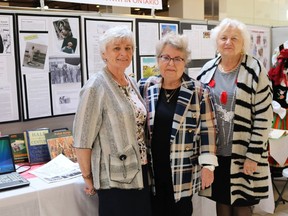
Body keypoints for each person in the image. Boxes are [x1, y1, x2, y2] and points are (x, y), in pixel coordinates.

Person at [73, 26, 152, 216]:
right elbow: (82, 139)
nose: (124, 53)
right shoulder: (95, 87)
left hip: (140, 172)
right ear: (104, 54)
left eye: (128, 48)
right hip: (113, 181)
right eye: (117, 48)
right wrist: (87, 177)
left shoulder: (131, 82)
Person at [197, 18, 273, 216]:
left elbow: (264, 117)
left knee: (241, 206)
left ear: (243, 43)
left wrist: (253, 156)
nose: (228, 42)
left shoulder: (255, 71)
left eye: (234, 38)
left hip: (244, 155)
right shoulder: (207, 70)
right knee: (221, 204)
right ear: (216, 41)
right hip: (216, 156)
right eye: (223, 38)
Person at [138, 32, 218, 216]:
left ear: (185, 62)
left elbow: (209, 129)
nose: (171, 63)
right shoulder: (145, 86)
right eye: (166, 57)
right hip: (152, 171)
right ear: (158, 60)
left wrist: (208, 166)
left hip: (183, 170)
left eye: (177, 58)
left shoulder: (198, 91)